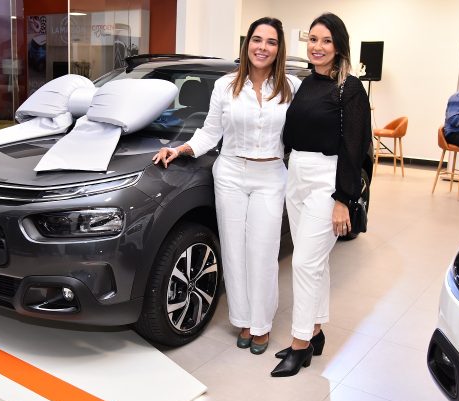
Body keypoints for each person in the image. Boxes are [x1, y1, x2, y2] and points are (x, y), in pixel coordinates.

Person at [153, 17, 300, 355]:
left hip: (270, 175)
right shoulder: (225, 85)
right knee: (234, 251)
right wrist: (180, 149)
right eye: (257, 40)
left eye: (271, 42)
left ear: (279, 49)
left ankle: (261, 324)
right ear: (247, 44)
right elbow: (210, 132)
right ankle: (243, 320)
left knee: (263, 253)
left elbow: (307, 126)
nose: (262, 47)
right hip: (231, 173)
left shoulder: (291, 86)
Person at [271, 13, 371, 377]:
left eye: (326, 40)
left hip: (327, 178)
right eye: (313, 39)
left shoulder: (350, 88)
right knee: (315, 263)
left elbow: (354, 147)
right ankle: (314, 332)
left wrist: (343, 198)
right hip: (297, 172)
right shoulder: (306, 83)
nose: (317, 47)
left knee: (303, 263)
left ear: (339, 46)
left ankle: (299, 346)